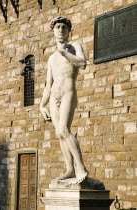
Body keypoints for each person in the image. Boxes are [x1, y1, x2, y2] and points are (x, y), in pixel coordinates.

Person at [40, 16, 88, 183]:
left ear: (68, 31)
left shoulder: (74, 47)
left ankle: (80, 166)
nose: (60, 30)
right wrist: (41, 105)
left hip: (68, 91)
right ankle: (69, 169)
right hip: (54, 95)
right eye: (58, 27)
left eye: (63, 27)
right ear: (53, 31)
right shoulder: (52, 58)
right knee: (59, 134)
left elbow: (82, 64)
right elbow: (48, 85)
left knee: (64, 129)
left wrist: (64, 52)